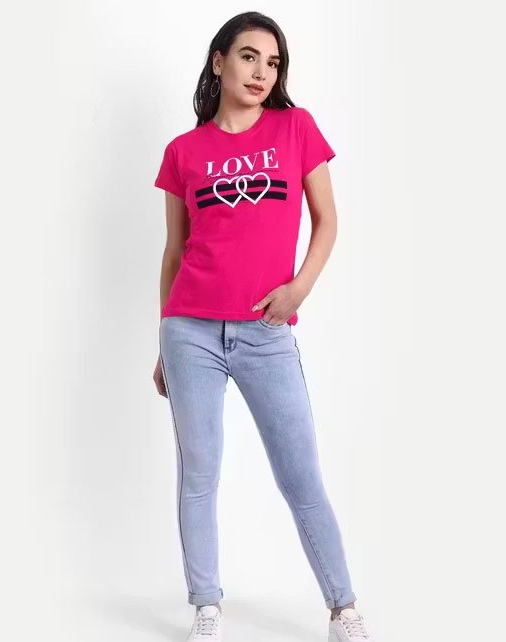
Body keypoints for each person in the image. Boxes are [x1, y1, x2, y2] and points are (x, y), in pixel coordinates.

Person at [152, 11, 376, 642]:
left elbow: (327, 220)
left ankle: (343, 609)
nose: (261, 72)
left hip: (265, 332)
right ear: (219, 61)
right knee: (199, 474)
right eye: (249, 56)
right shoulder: (183, 152)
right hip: (190, 330)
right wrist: (163, 340)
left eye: (272, 63)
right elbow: (174, 252)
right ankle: (206, 608)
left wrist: (299, 288)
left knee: (300, 475)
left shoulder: (294, 128)